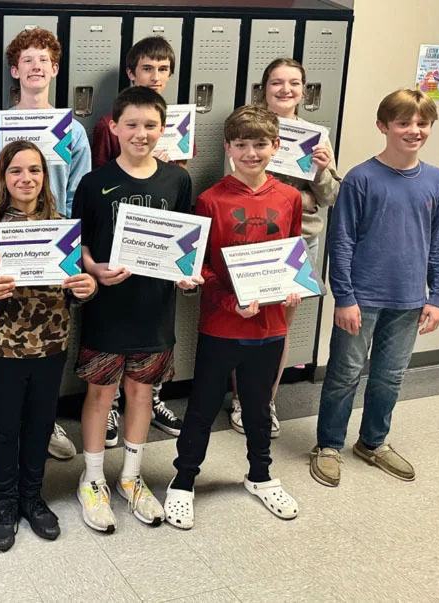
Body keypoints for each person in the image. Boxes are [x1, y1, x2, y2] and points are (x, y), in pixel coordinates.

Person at [164, 105, 302, 530]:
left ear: (276, 147)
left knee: (259, 408)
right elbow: (198, 267)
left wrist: (294, 283)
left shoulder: (289, 197)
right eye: (241, 145)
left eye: (260, 144)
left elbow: (293, 253)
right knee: (203, 406)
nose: (251, 153)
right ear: (227, 148)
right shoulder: (210, 201)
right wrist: (229, 304)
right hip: (222, 325)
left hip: (270, 325)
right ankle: (183, 481)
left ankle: (260, 475)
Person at [72, 87, 196, 533]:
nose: (140, 134)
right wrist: (93, 268)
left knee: (142, 394)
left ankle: (130, 477)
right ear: (113, 126)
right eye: (132, 125)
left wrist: (186, 273)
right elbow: (80, 244)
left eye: (150, 126)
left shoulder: (177, 180)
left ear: (163, 129)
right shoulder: (93, 182)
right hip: (108, 310)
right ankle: (91, 481)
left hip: (154, 312)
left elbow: (187, 243)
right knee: (101, 395)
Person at [310, 89, 439, 488]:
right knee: (344, 374)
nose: (413, 130)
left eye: (422, 124)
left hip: (409, 299)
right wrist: (345, 297)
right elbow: (342, 241)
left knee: (390, 376)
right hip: (362, 299)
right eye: (404, 123)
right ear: (383, 126)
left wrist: (436, 297)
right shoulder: (360, 178)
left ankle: (372, 442)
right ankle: (329, 446)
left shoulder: (438, 181)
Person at [0, 140, 97, 551]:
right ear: (3, 177)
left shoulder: (61, 225)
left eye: (34, 170)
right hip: (2, 348)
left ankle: (32, 497)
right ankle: (5, 502)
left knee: (40, 424)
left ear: (45, 176)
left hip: (51, 345)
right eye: (16, 170)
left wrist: (86, 288)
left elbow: (71, 291)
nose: (26, 178)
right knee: (3, 428)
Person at [0, 27, 91, 460]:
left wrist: (68, 248)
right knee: (4, 341)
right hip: (7, 245)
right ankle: (0, 435)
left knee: (50, 341)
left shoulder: (72, 132)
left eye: (44, 60)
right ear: (15, 70)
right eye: (27, 60)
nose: (36, 66)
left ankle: (44, 426)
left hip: (54, 246)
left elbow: (79, 195)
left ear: (55, 69)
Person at [227, 58, 342, 438]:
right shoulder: (247, 125)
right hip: (252, 238)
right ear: (264, 88)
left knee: (279, 326)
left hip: (297, 242)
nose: (286, 90)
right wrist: (299, 198)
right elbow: (236, 184)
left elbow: (329, 197)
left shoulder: (315, 137)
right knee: (244, 321)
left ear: (304, 90)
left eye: (294, 83)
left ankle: (265, 401)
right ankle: (243, 400)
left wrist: (323, 171)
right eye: (277, 82)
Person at [91, 36, 191, 443]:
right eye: (146, 68)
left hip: (157, 262)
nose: (155, 76)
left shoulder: (179, 122)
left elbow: (181, 196)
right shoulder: (106, 131)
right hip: (116, 253)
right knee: (108, 366)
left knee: (148, 366)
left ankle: (150, 403)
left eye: (162, 69)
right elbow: (101, 182)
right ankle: (112, 409)